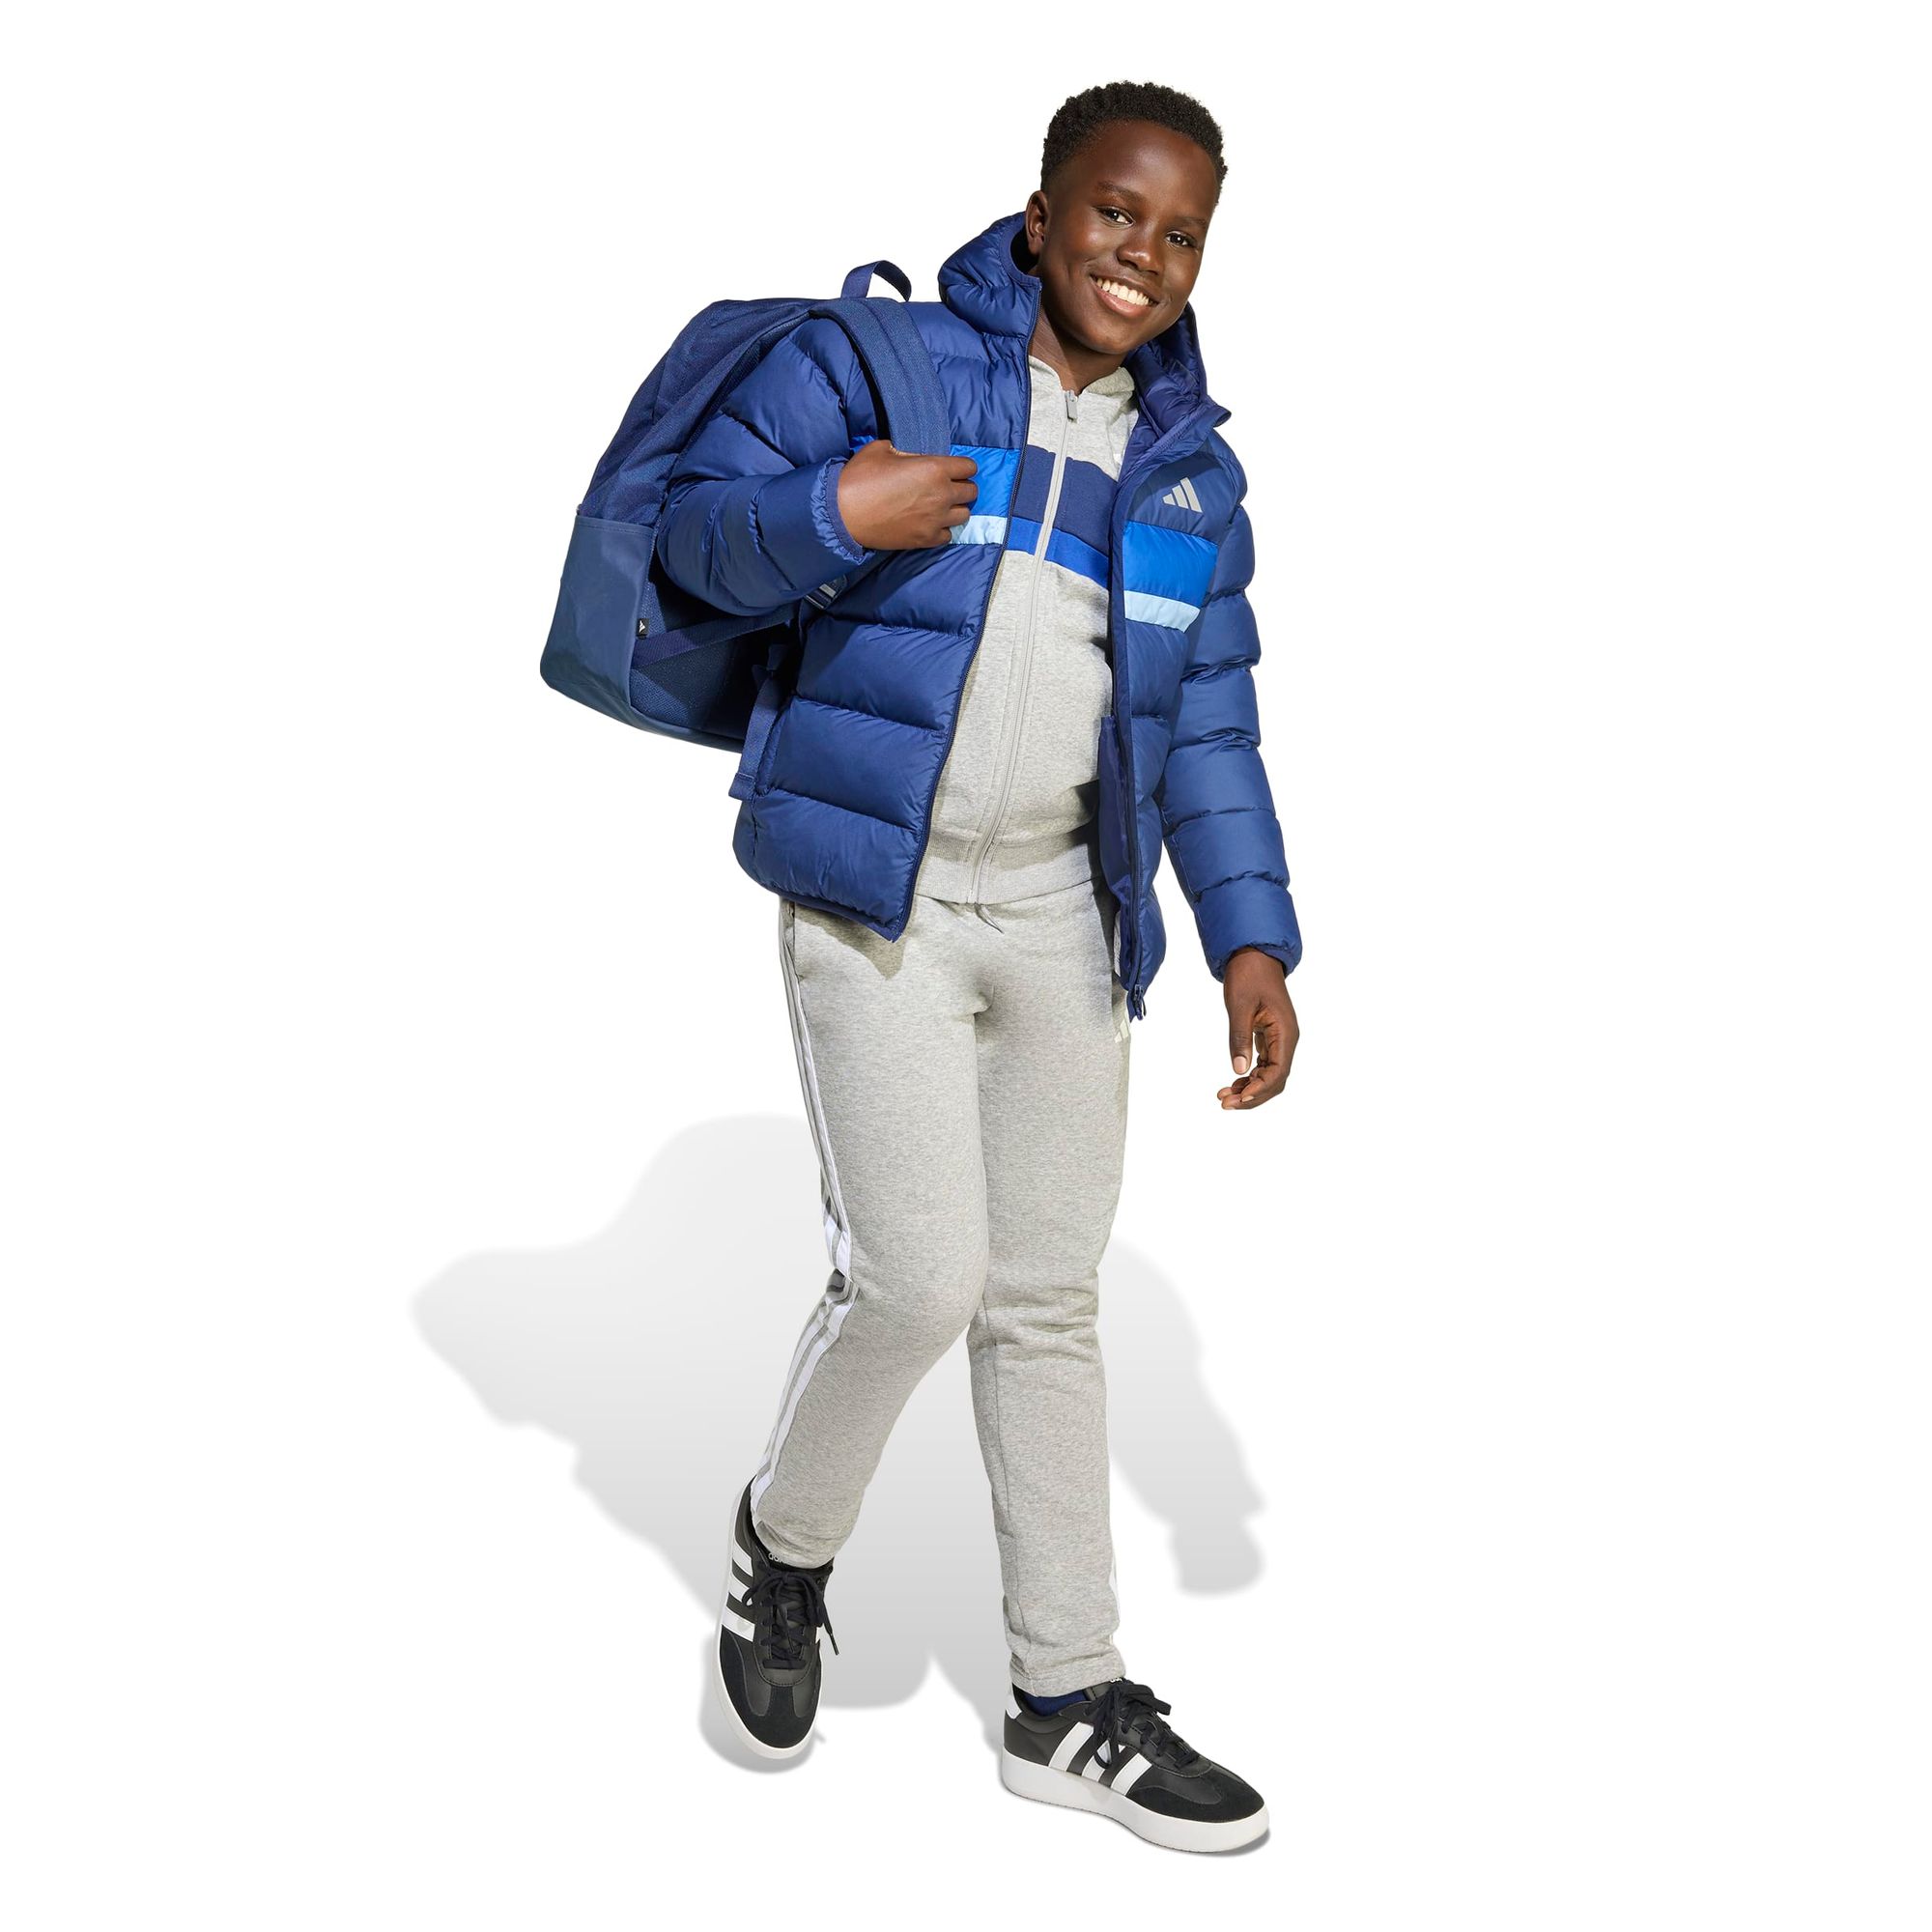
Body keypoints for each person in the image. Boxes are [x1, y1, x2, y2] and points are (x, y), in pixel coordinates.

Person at [654, 79, 1301, 1853]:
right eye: (1115, 211)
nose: (1142, 254)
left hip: (1064, 917)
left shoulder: (1190, 474)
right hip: (880, 899)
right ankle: (784, 1548)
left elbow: (1209, 725)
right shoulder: (884, 368)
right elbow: (696, 531)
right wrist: (833, 512)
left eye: (1181, 235)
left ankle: (1065, 1697)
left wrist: (1249, 934)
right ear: (1040, 209)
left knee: (1047, 1302)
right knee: (920, 1282)